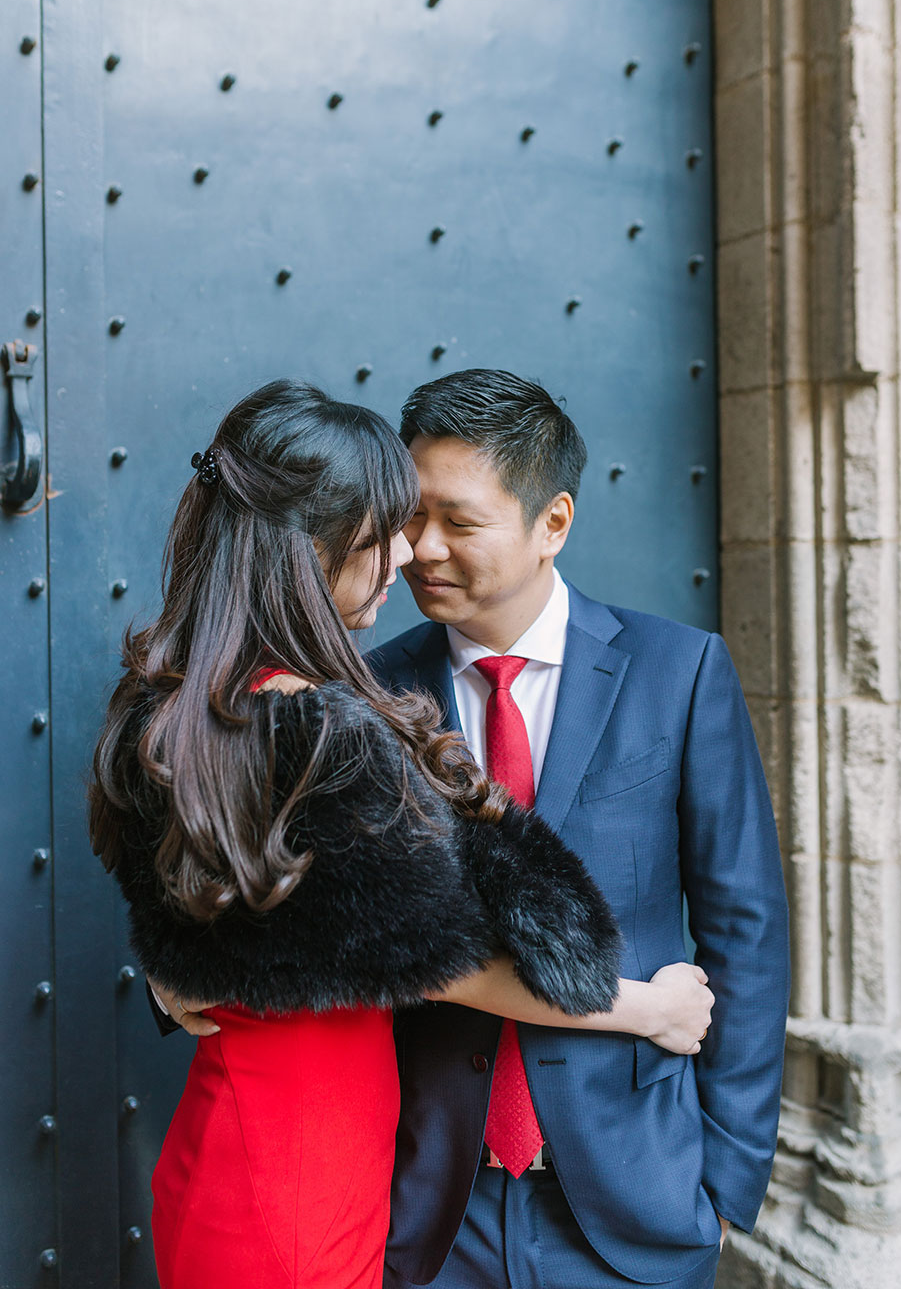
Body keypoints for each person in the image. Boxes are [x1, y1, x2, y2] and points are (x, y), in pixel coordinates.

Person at [90, 379, 715, 1289]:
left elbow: (268, 914)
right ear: (313, 548)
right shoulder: (312, 729)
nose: (405, 555)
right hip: (299, 1173)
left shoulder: (187, 703)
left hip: (276, 1142)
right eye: (386, 528)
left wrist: (181, 970)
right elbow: (436, 961)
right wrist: (646, 1008)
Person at [365, 369, 791, 1289]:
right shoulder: (370, 694)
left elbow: (745, 929)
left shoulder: (677, 671)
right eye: (409, 518)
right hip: (430, 1208)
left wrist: (722, 1181)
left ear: (552, 521)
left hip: (639, 1198)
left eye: (457, 521)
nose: (419, 550)